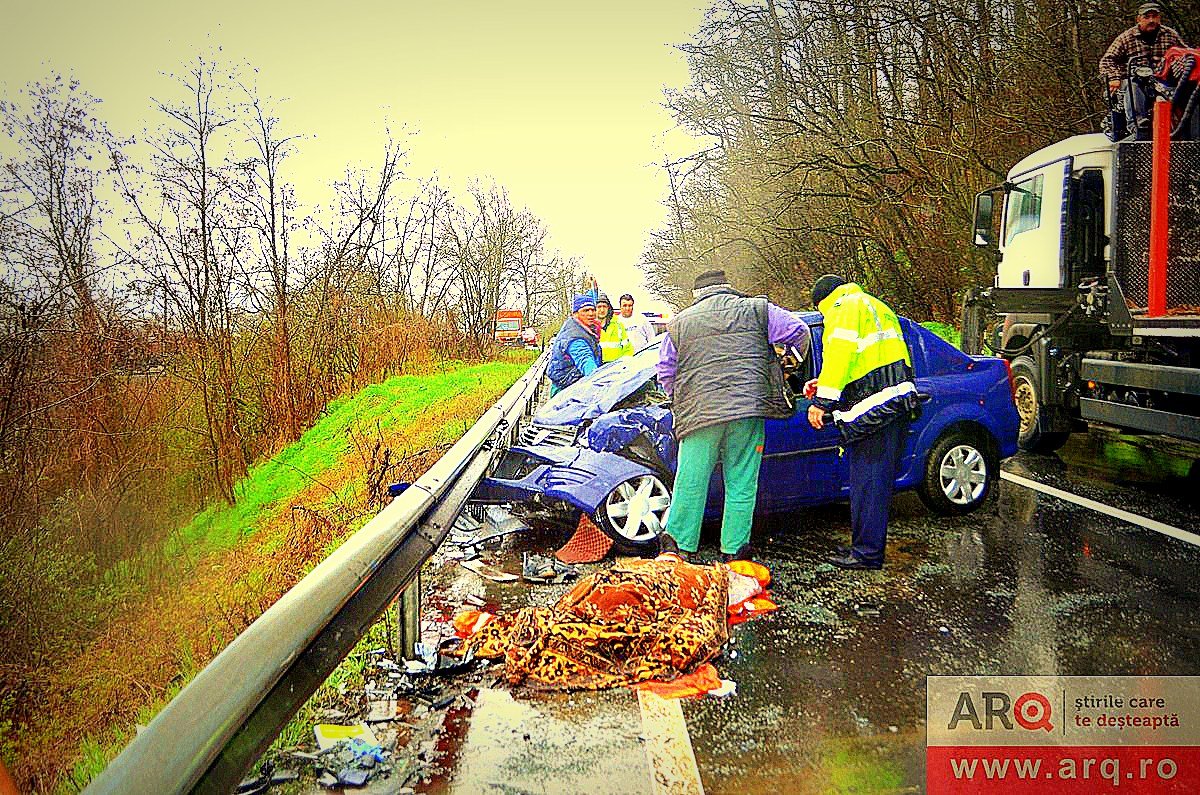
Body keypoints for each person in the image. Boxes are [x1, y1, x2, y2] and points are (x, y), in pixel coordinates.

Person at [656, 269, 810, 563]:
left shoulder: (679, 323)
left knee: (690, 480)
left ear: (696, 296)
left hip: (700, 414)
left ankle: (678, 550)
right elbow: (799, 332)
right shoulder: (758, 309)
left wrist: (679, 396)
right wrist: (788, 366)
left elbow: (665, 369)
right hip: (747, 410)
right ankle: (735, 554)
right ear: (728, 288)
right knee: (741, 481)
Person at [804, 275, 918, 571]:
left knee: (866, 484)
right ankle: (866, 546)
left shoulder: (841, 309)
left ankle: (866, 554)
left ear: (822, 302)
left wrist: (822, 402)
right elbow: (868, 359)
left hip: (873, 410)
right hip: (897, 402)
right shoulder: (877, 306)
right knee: (877, 484)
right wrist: (827, 384)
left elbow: (839, 357)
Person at [1100, 2, 1188, 137]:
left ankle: (1186, 128)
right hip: (1135, 82)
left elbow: (1186, 55)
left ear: (1160, 18)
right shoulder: (1126, 38)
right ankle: (1139, 127)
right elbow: (1107, 60)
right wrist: (1114, 78)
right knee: (1133, 86)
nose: (1151, 20)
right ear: (1139, 19)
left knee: (1188, 89)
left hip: (1164, 82)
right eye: (1147, 17)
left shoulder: (1170, 35)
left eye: (1155, 16)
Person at [547, 294, 601, 395]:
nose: (591, 314)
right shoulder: (575, 338)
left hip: (571, 384)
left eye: (593, 310)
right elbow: (585, 361)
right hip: (566, 391)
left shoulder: (579, 326)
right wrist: (599, 385)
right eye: (586, 310)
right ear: (575, 314)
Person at [596, 293, 633, 363]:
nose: (602, 310)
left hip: (616, 368)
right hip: (598, 369)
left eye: (604, 306)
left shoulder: (618, 325)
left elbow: (628, 349)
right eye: (599, 307)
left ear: (608, 308)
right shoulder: (591, 328)